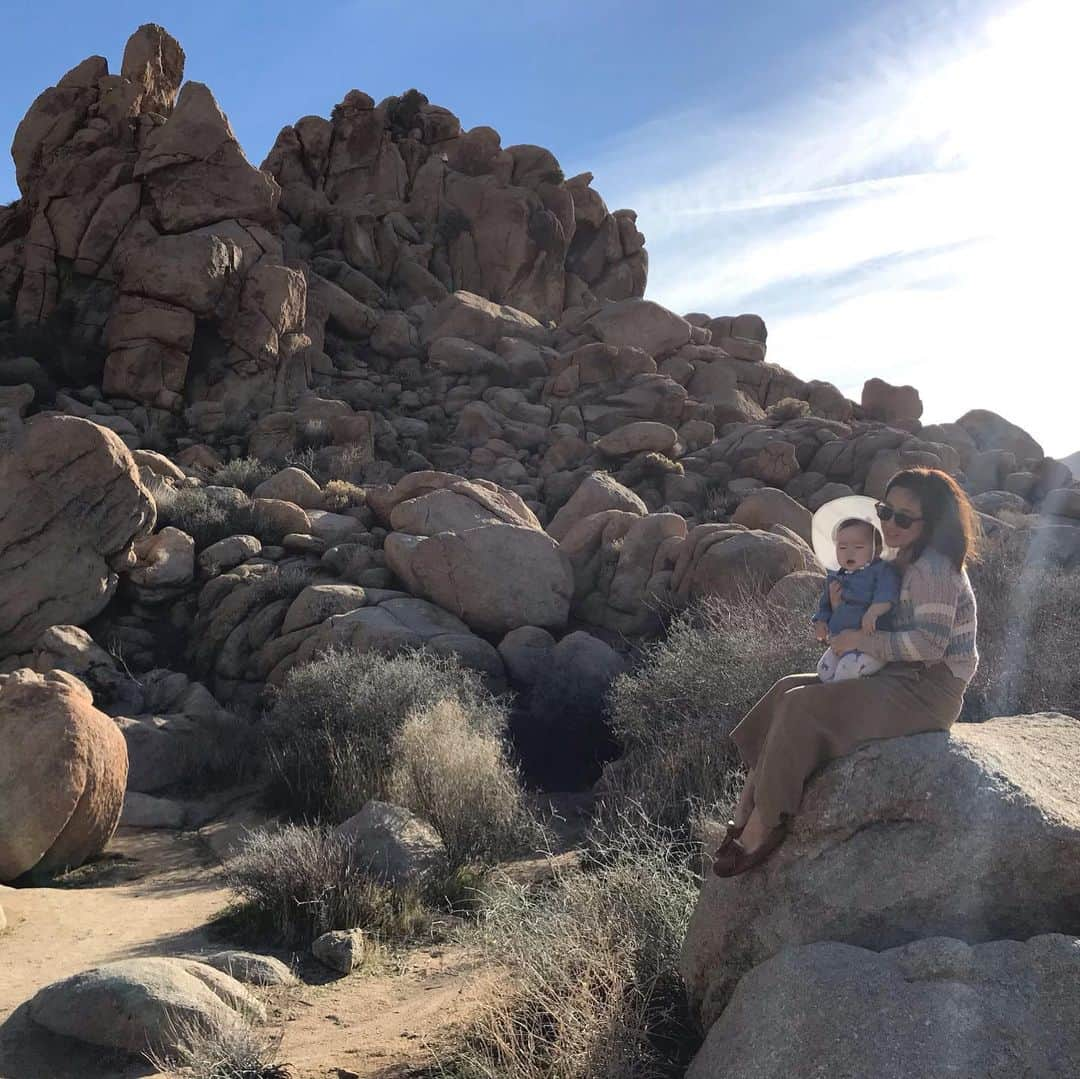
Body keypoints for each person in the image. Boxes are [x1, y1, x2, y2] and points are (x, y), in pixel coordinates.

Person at [712, 467, 980, 878]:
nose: (890, 524)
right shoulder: (896, 558)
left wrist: (860, 641)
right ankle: (750, 800)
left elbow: (930, 646)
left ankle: (767, 822)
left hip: (927, 691)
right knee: (785, 689)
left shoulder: (935, 570)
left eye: (904, 519)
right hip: (894, 672)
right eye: (886, 512)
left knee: (803, 707)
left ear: (932, 524)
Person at [812, 518, 900, 682]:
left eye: (858, 547)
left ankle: (844, 703)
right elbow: (824, 607)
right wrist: (820, 622)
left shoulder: (880, 571)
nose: (849, 553)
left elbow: (887, 595)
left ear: (877, 549)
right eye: (842, 547)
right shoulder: (836, 577)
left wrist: (873, 612)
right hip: (840, 641)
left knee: (847, 671)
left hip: (869, 644)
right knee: (824, 671)